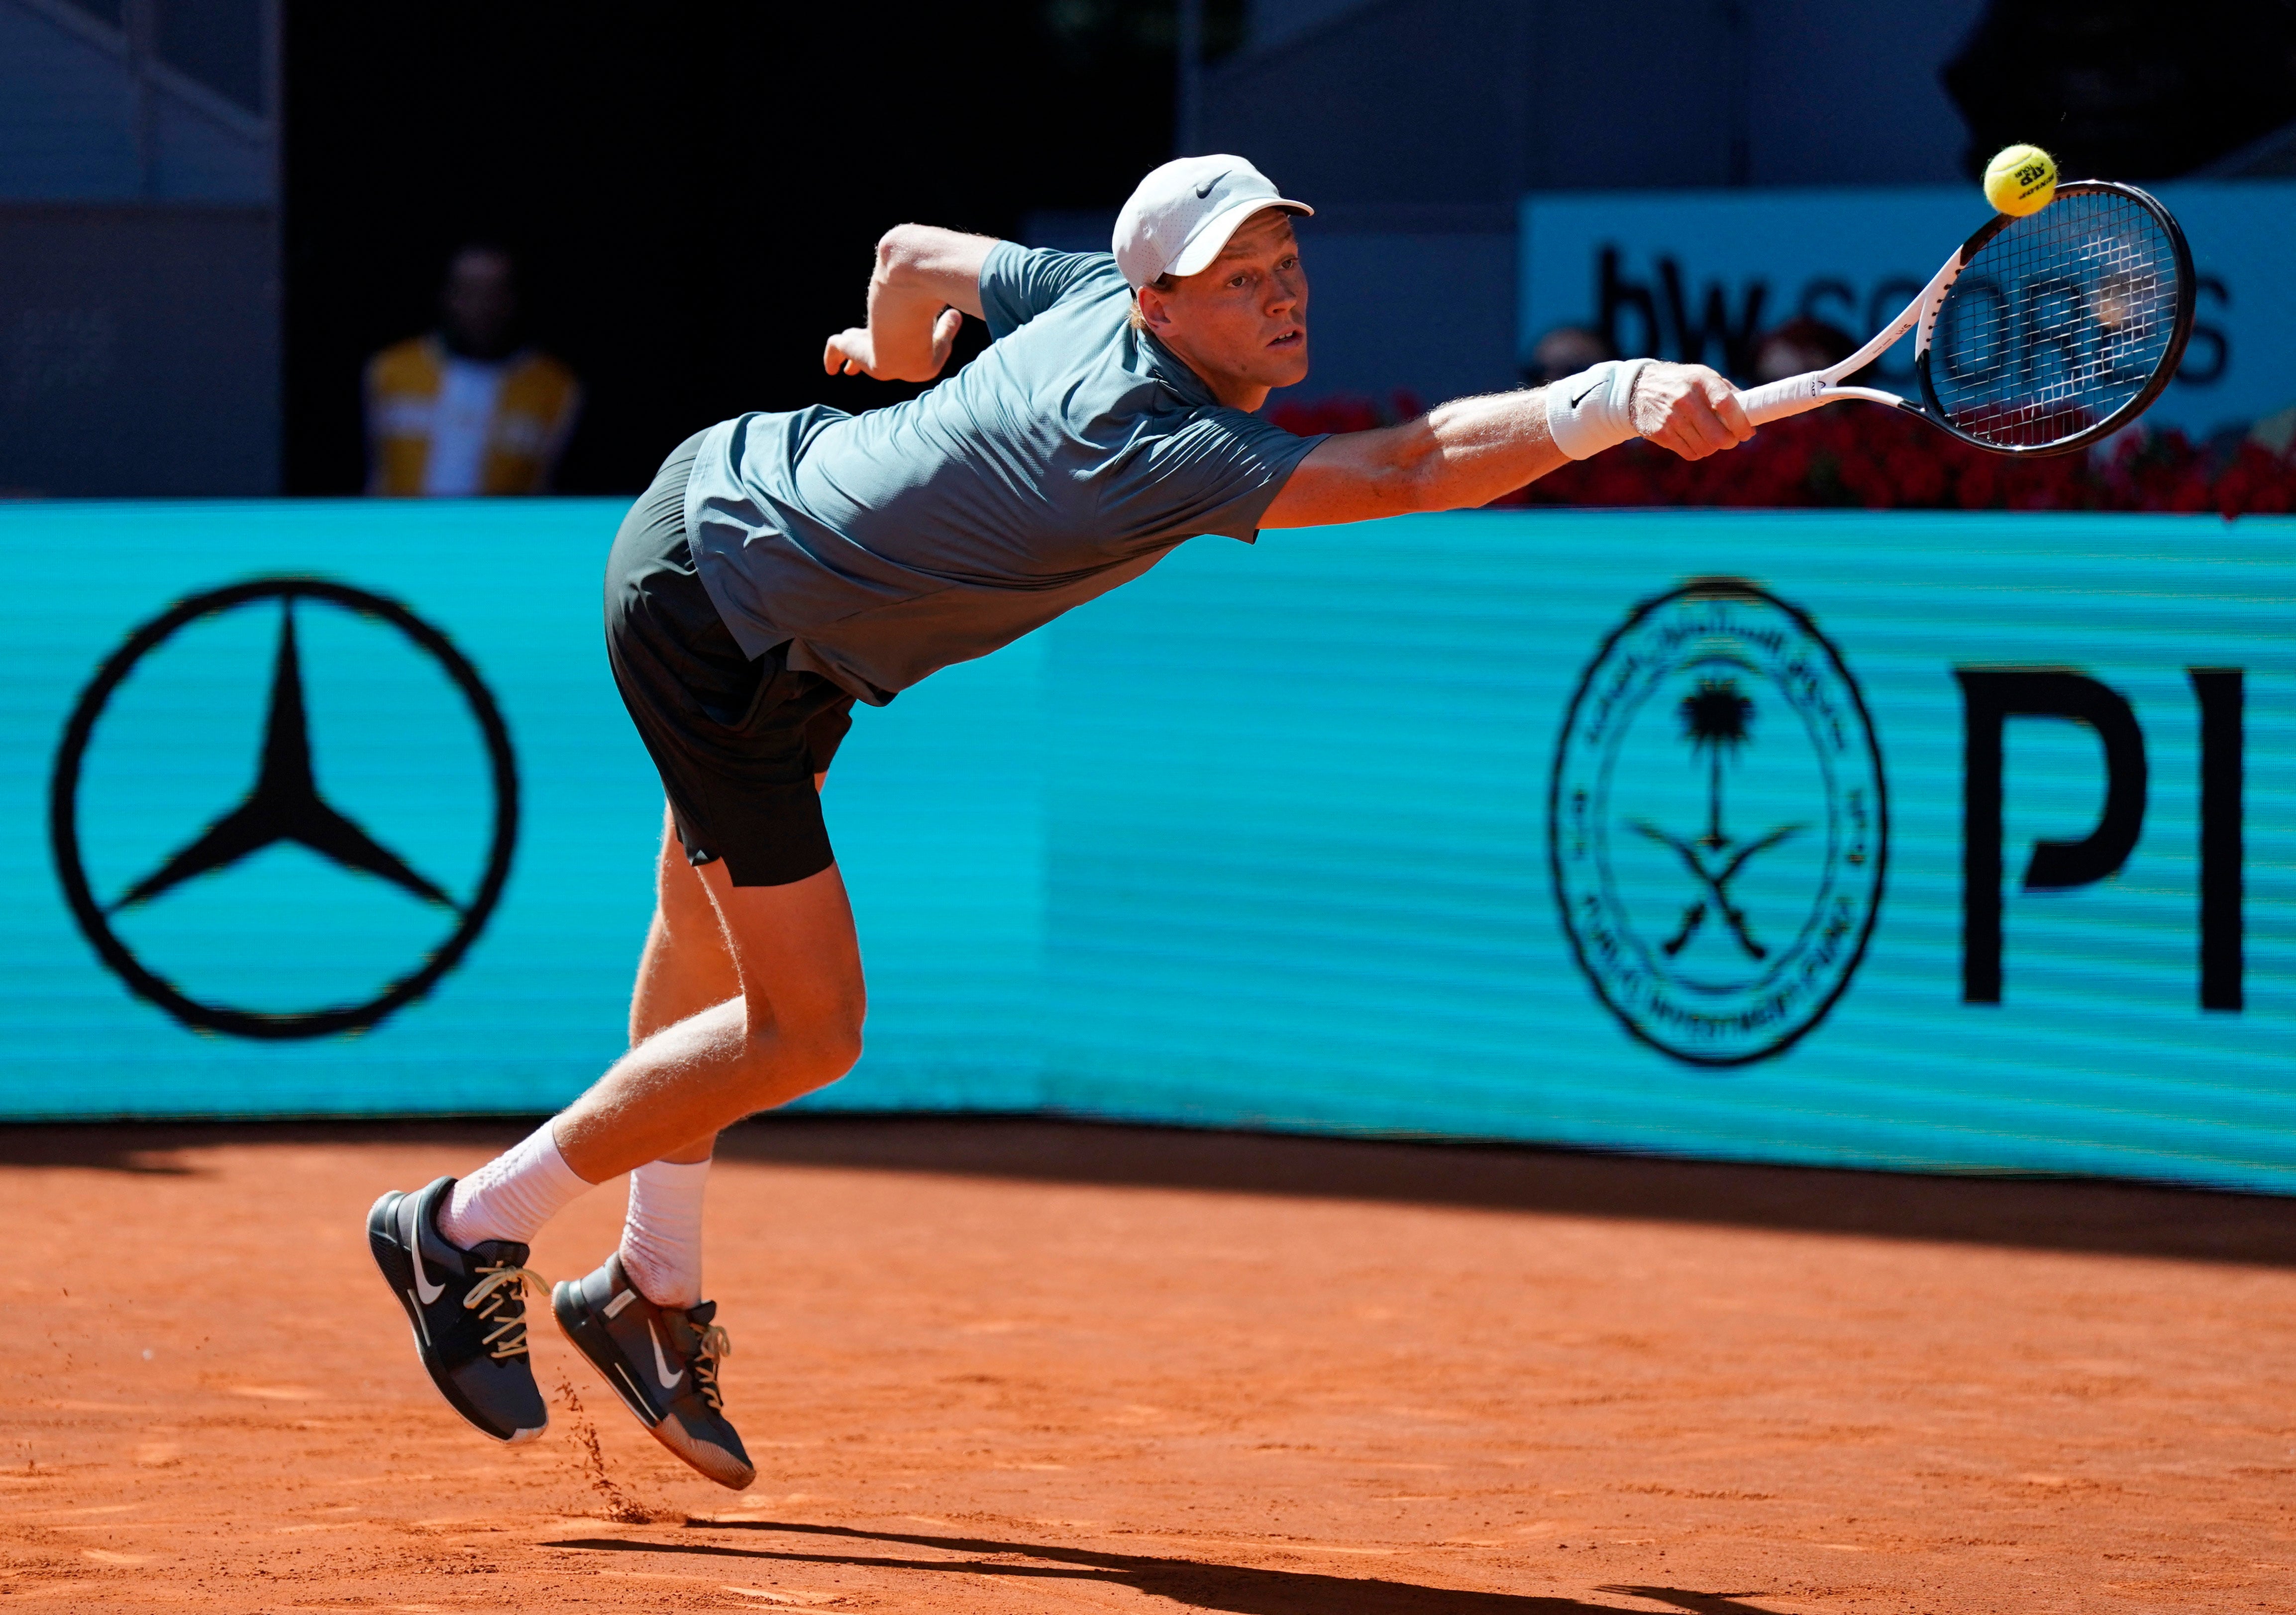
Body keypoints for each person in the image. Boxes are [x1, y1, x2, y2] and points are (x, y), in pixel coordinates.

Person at [364, 156, 1754, 1488]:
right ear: (1157, 302)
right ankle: (463, 1224)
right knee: (808, 1026)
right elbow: (1406, 466)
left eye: (1284, 261)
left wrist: (895, 350)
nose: (1282, 294)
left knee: (704, 933)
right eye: (1238, 276)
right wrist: (1615, 394)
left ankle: (647, 1290)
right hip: (718, 617)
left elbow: (912, 259)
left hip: (757, 554)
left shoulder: (1090, 288)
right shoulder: (1151, 439)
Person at [364, 243, 582, 497]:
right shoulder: (391, 370)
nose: (481, 306)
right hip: (399, 531)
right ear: (447, 294)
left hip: (502, 533)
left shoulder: (556, 386)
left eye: (494, 292)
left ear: (513, 298)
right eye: (470, 291)